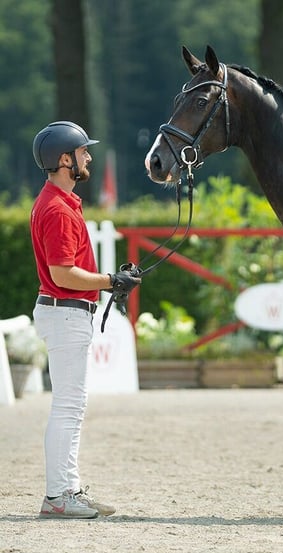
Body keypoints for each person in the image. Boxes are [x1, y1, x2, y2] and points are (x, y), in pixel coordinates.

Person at [30, 121, 141, 519]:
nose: (88, 157)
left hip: (66, 313)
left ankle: (67, 490)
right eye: (82, 152)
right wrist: (111, 281)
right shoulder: (58, 209)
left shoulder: (60, 202)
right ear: (65, 160)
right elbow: (63, 274)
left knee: (70, 405)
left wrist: (110, 281)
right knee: (69, 407)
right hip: (66, 313)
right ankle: (59, 496)